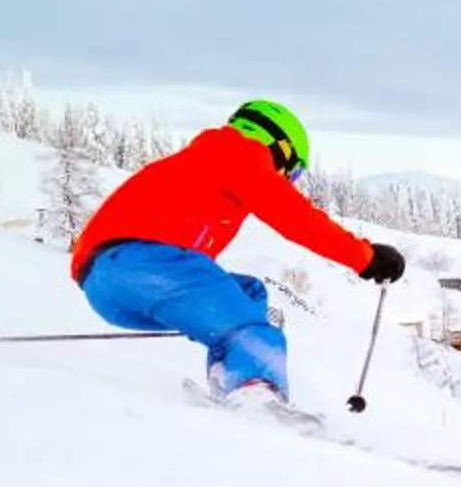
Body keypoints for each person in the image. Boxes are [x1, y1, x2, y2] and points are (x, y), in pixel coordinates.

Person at [69, 99, 407, 402]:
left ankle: (229, 378)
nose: (288, 179)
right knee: (253, 331)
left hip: (111, 285)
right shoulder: (237, 153)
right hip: (141, 265)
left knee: (247, 293)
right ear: (282, 148)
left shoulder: (204, 163)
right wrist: (365, 257)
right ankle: (256, 391)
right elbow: (295, 217)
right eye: (294, 172)